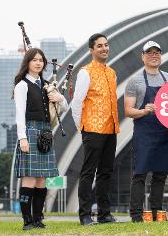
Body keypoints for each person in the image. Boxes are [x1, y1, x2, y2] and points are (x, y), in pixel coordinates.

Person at [13, 48, 68, 230]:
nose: (38, 63)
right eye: (34, 60)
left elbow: (64, 106)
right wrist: (22, 138)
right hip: (30, 131)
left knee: (42, 180)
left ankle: (38, 219)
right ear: (27, 62)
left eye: (41, 60)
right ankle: (27, 220)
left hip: (45, 132)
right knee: (29, 179)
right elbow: (20, 114)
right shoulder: (22, 85)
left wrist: (59, 97)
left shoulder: (46, 85)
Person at [124, 41, 168, 222]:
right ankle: (136, 214)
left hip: (165, 132)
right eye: (150, 52)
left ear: (161, 56)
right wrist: (144, 111)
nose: (154, 55)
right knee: (140, 173)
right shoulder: (135, 80)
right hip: (144, 132)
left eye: (157, 52)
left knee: (160, 174)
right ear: (143, 56)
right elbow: (128, 111)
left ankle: (157, 213)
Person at [71, 33, 119, 225]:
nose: (104, 48)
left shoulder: (112, 73)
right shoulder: (85, 72)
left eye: (106, 45)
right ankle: (84, 215)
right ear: (92, 50)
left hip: (111, 128)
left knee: (106, 172)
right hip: (92, 129)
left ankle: (104, 214)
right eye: (100, 46)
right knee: (88, 172)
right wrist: (81, 128)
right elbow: (77, 103)